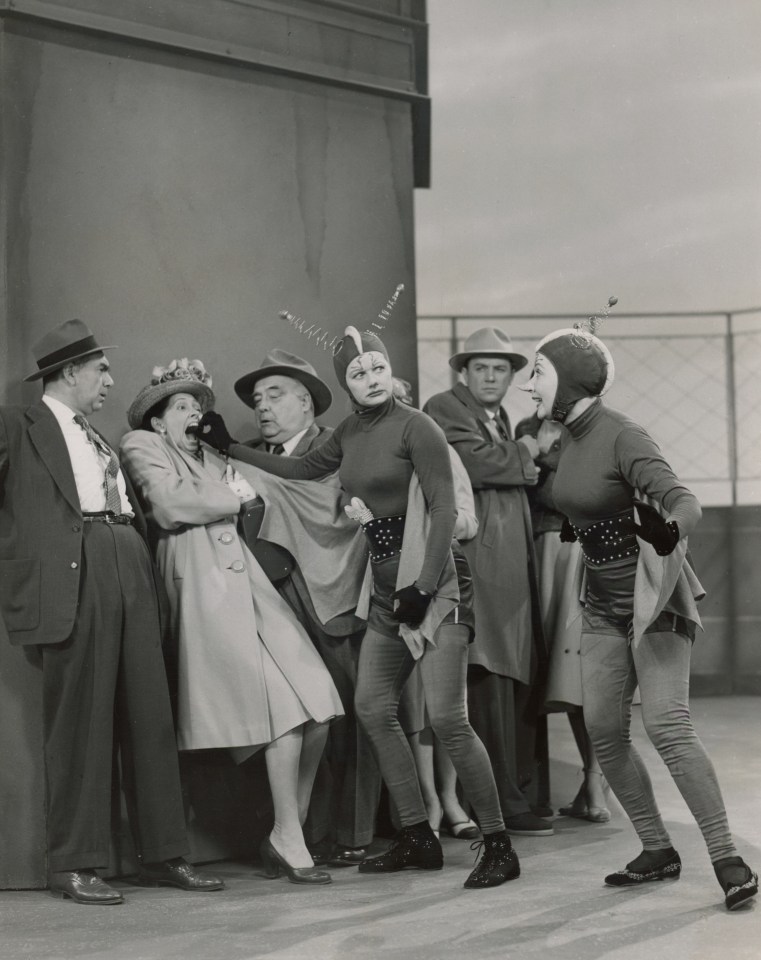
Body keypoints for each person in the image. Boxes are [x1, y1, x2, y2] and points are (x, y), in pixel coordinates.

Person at [197, 327, 520, 889]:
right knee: (373, 708)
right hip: (387, 590)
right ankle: (418, 836)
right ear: (345, 382)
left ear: (386, 370)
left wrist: (423, 585)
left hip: (437, 587)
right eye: (357, 373)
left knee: (447, 719)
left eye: (376, 369)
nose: (370, 381)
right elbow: (301, 471)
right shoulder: (349, 431)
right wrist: (229, 447)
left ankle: (498, 843)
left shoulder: (417, 425)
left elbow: (444, 508)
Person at [522, 323, 758, 911]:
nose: (528, 384)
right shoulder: (570, 436)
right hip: (601, 607)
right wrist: (590, 525)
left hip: (653, 604)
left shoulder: (623, 433)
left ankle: (729, 858)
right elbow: (587, 498)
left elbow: (684, 500)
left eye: (537, 372)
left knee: (668, 727)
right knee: (604, 732)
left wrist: (668, 528)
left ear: (569, 382)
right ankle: (658, 849)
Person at [0, 320, 224, 905]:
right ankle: (72, 863)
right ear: (69, 371)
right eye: (101, 368)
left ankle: (164, 853)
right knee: (80, 723)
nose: (110, 380)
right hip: (76, 575)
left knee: (150, 713)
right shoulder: (17, 427)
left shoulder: (96, 436)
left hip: (129, 559)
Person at [120, 358, 344, 886]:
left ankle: (289, 826)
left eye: (199, 405)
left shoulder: (216, 455)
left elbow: (267, 496)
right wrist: (234, 495)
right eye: (181, 406)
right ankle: (290, 837)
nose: (194, 413)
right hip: (203, 586)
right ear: (157, 420)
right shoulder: (143, 445)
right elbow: (172, 505)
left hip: (252, 588)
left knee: (321, 706)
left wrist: (235, 485)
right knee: (285, 715)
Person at [233, 349, 381, 867]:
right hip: (274, 601)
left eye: (276, 395)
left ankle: (350, 833)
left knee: (351, 713)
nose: (263, 407)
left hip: (332, 592)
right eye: (257, 399)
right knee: (301, 719)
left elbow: (344, 515)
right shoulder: (246, 455)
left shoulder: (334, 448)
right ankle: (300, 832)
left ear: (306, 402)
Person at [424, 328, 553, 837]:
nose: (492, 376)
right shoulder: (445, 407)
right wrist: (527, 451)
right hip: (479, 562)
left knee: (509, 675)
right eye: (482, 367)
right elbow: (471, 464)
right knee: (486, 677)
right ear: (464, 371)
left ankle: (513, 792)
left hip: (509, 565)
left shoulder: (496, 417)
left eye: (501, 369)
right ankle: (498, 801)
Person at [392, 377, 480, 841]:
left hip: (441, 582)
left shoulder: (441, 450)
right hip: (394, 585)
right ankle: (428, 799)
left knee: (445, 704)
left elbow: (468, 517)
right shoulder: (374, 461)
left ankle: (451, 797)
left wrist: (433, 522)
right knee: (412, 703)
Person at [515, 412, 609, 822]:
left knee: (582, 678)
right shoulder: (525, 430)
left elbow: (566, 494)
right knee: (562, 680)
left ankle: (594, 782)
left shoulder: (584, 431)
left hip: (575, 554)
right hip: (538, 556)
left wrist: (542, 460)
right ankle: (591, 786)